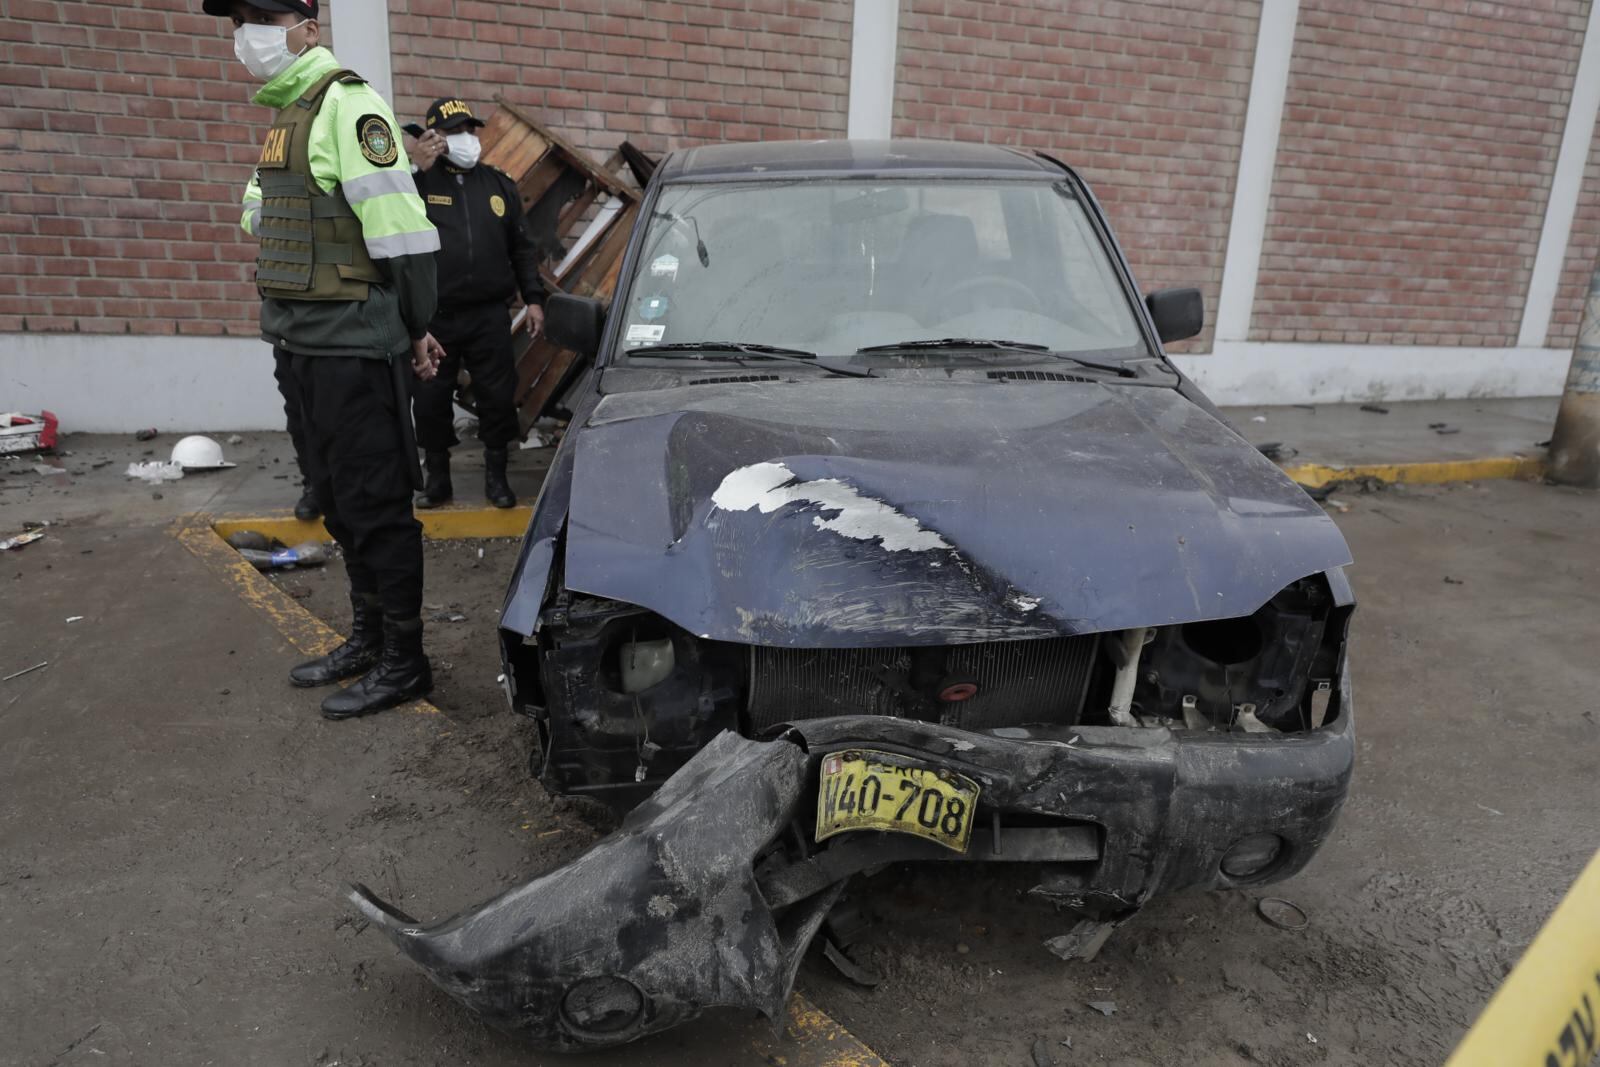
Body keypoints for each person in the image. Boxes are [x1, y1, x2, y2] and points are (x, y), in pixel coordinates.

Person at [208, 0, 446, 719]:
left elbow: (401, 233)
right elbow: (258, 209)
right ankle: (368, 636)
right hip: (299, 342)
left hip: (350, 343)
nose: (246, 34)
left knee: (376, 505)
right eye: (237, 20)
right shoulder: (285, 119)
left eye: (262, 17)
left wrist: (414, 326)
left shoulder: (350, 105)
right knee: (337, 501)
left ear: (309, 27)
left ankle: (407, 660)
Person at [407, 98, 546, 509]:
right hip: (435, 317)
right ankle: (437, 480)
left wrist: (534, 299)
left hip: (488, 315)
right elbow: (394, 227)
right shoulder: (418, 185)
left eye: (469, 130)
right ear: (432, 137)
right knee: (431, 402)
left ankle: (497, 477)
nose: (465, 139)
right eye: (453, 132)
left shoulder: (499, 184)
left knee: (497, 398)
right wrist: (416, 171)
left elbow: (522, 248)